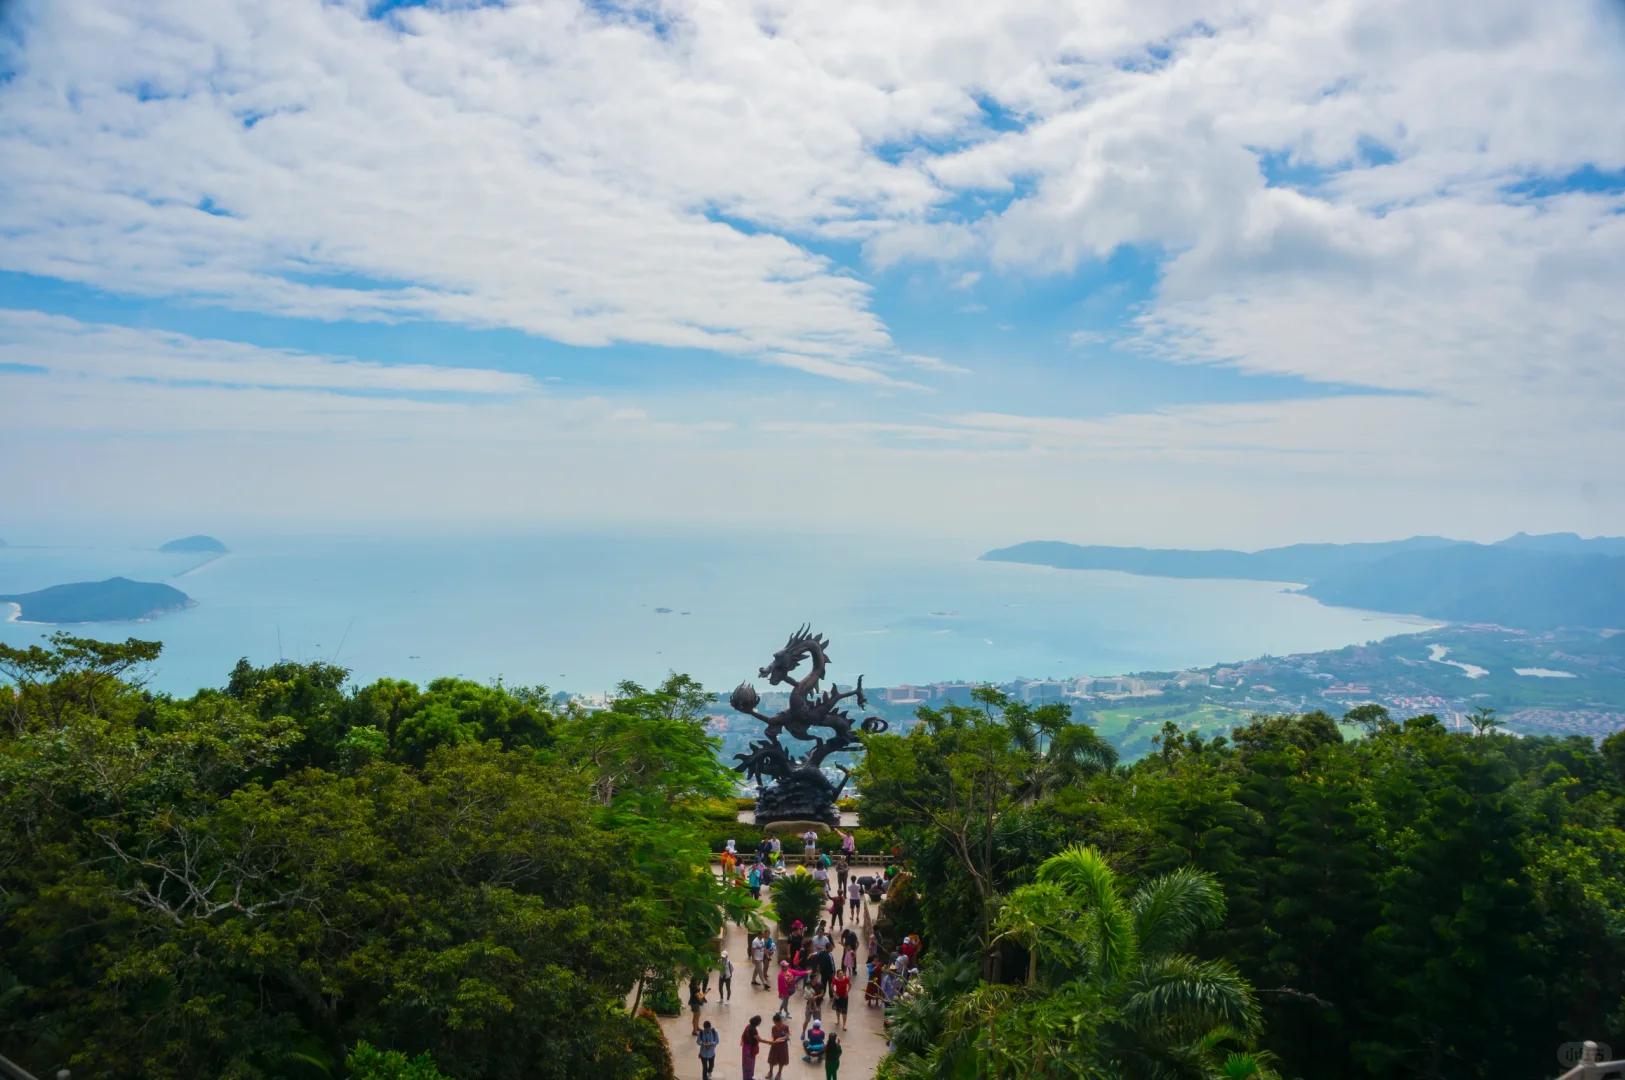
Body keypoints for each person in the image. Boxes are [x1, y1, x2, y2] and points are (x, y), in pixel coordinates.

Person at [767, 1012, 791, 1079]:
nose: (775, 1023)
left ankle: (779, 1072)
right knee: (772, 1059)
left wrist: (779, 1039)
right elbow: (772, 1035)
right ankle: (770, 1072)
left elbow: (787, 1037)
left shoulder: (785, 1027)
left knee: (781, 1060)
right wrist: (771, 1040)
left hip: (782, 1046)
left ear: (780, 1021)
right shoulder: (773, 1028)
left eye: (776, 1022)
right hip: (774, 1046)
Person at [741, 1016, 762, 1080]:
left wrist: (742, 1041)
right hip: (750, 1050)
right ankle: (748, 1078)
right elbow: (760, 1039)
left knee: (746, 1064)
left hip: (745, 1048)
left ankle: (746, 1077)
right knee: (750, 1064)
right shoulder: (753, 1030)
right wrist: (770, 1042)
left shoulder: (748, 1026)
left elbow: (743, 1035)